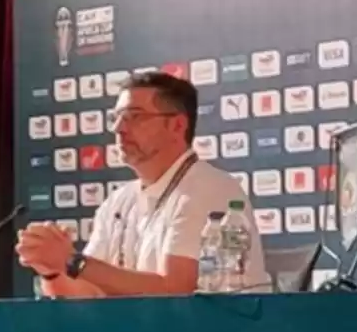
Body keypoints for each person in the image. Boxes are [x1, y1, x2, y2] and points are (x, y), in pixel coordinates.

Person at [16, 72, 269, 297]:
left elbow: (176, 290)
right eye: (116, 118)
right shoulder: (118, 201)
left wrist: (73, 262)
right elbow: (87, 294)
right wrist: (51, 269)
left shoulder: (208, 188)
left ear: (177, 125)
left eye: (134, 117)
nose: (118, 128)